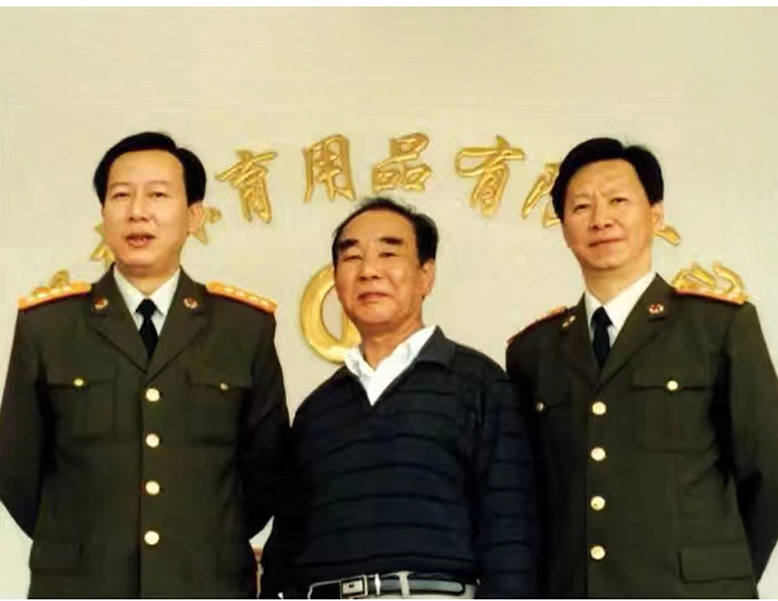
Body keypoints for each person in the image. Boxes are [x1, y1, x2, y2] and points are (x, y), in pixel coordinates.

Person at [0, 131, 290, 597]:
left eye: (157, 194)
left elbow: (267, 472)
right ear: (103, 214)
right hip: (81, 586)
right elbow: (17, 471)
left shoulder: (242, 328)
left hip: (203, 584)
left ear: (193, 216)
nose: (138, 211)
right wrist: (84, 543)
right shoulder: (47, 326)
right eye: (121, 195)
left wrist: (197, 539)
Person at [506, 137, 778, 597]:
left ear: (656, 215)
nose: (600, 219)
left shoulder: (717, 326)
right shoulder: (533, 350)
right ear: (564, 227)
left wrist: (721, 570)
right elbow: (531, 493)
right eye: (581, 206)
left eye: (618, 201)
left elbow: (770, 472)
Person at [262, 197, 536, 599]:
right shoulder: (316, 411)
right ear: (336, 280)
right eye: (352, 257)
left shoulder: (481, 384)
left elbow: (511, 534)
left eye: (388, 254)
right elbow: (284, 548)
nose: (369, 270)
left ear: (426, 276)